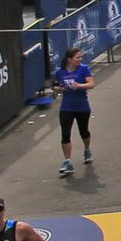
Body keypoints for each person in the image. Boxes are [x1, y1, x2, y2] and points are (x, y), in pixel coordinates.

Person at [53, 47, 93, 177]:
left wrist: (79, 85)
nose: (80, 59)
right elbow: (54, 86)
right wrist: (61, 88)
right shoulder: (60, 72)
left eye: (80, 57)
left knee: (84, 131)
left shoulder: (84, 69)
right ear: (69, 59)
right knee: (65, 134)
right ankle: (67, 161)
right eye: (77, 57)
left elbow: (91, 84)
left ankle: (87, 150)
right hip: (66, 107)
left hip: (82, 106)